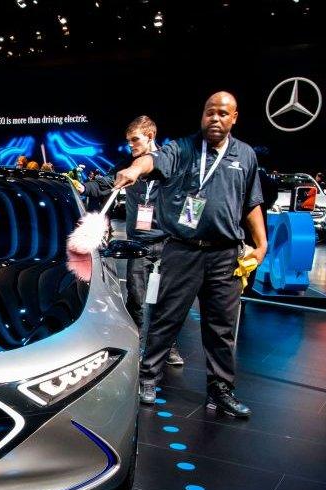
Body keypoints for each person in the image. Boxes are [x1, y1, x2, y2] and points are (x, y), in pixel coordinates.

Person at [114, 92, 267, 417]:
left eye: (223, 113)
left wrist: (262, 242)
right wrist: (135, 169)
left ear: (234, 117)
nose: (216, 118)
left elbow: (252, 202)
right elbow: (152, 160)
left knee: (222, 328)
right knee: (167, 318)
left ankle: (222, 390)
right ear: (202, 115)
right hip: (183, 250)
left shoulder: (245, 155)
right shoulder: (183, 149)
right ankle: (148, 378)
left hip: (226, 254)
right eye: (210, 112)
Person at [121, 115, 184, 366]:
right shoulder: (130, 167)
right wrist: (85, 188)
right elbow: (105, 183)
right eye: (128, 141)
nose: (131, 145)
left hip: (167, 244)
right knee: (136, 297)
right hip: (138, 246)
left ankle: (167, 347)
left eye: (134, 140)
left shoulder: (172, 168)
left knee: (166, 300)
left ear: (150, 136)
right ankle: (136, 343)